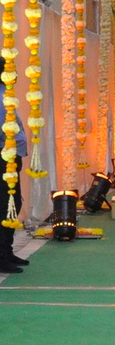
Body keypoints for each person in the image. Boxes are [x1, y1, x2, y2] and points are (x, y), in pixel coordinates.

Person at [0, 56, 29, 273]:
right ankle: (2, 257)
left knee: (13, 205)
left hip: (10, 157)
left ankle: (7, 252)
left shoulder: (5, 95)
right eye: (11, 70)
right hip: (4, 158)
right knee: (5, 207)